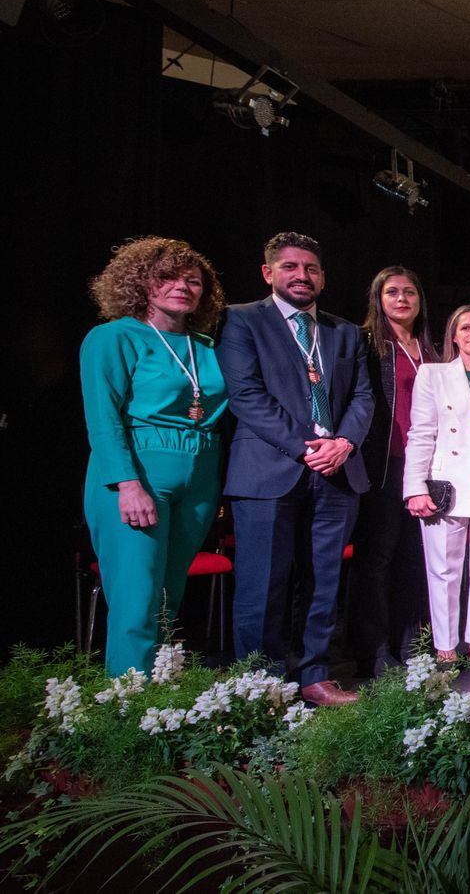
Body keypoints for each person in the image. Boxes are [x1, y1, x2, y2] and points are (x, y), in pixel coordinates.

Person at [219, 232, 373, 706]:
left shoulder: (344, 332)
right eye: (290, 267)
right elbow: (246, 396)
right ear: (268, 273)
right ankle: (260, 685)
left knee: (323, 583)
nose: (301, 275)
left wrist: (343, 442)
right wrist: (310, 446)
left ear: (322, 277)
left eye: (310, 268)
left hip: (337, 472)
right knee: (263, 585)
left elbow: (364, 397)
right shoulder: (241, 321)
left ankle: (314, 676)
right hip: (270, 470)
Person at [80, 237, 229, 675]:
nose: (182, 286)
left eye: (193, 280)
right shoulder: (113, 337)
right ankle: (124, 712)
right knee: (137, 598)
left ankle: (159, 703)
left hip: (200, 472)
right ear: (141, 283)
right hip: (139, 471)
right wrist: (127, 484)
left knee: (169, 596)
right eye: (168, 277)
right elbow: (103, 420)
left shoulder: (206, 346)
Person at [403, 306, 470, 669]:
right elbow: (420, 434)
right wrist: (414, 486)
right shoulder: (432, 375)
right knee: (444, 568)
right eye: (466, 328)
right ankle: (445, 645)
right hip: (448, 481)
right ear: (454, 335)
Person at [348, 266, 438, 676]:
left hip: (427, 471)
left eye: (409, 292)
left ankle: (412, 645)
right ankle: (375, 652)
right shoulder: (368, 345)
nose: (402, 299)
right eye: (392, 292)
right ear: (378, 299)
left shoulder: (432, 351)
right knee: (377, 561)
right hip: (384, 468)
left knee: (414, 561)